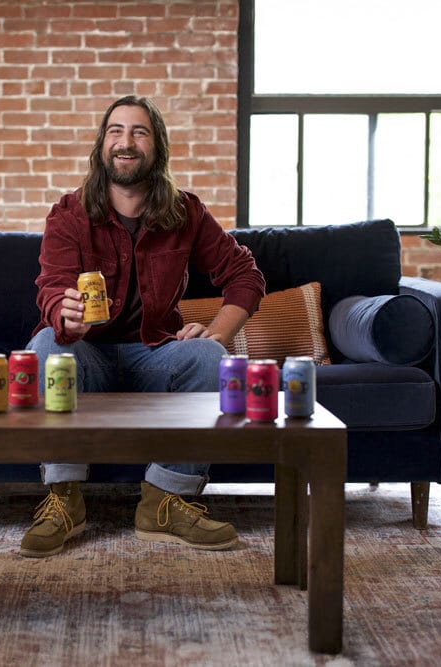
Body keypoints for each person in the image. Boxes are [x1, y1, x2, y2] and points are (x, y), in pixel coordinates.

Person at [21, 95, 266, 558]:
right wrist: (63, 309)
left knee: (211, 356)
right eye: (115, 131)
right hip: (86, 353)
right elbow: (50, 286)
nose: (126, 142)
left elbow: (245, 274)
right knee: (47, 344)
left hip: (155, 354)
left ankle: (164, 503)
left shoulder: (186, 212)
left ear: (157, 147)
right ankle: (65, 499)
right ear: (102, 146)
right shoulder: (69, 214)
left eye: (139, 132)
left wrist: (218, 332)